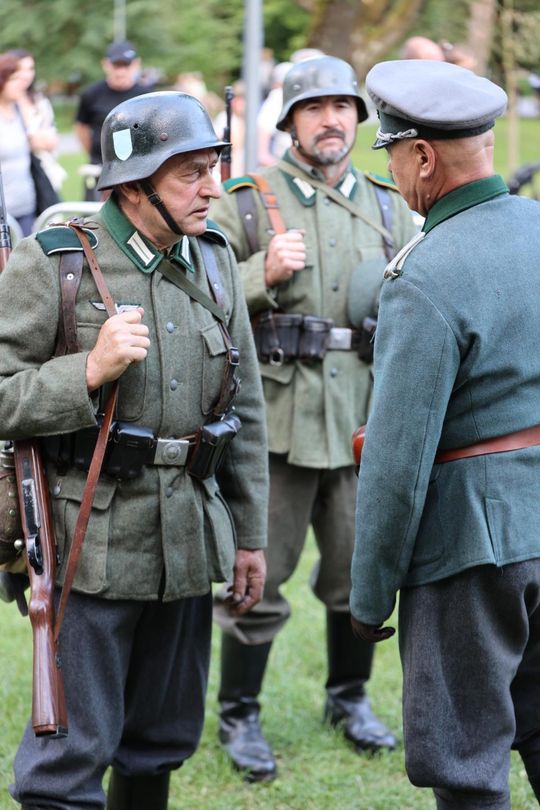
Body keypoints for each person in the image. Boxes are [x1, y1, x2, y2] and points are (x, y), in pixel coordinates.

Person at [0, 90, 268, 810]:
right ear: (132, 183)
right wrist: (85, 372)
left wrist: (248, 537)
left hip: (186, 543)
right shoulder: (52, 263)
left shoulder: (214, 264)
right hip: (88, 547)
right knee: (66, 766)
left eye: (213, 166)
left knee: (158, 744)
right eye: (190, 173)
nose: (212, 186)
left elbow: (242, 413)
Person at [210, 55, 417, 782]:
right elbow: (195, 299)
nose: (331, 120)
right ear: (289, 120)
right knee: (256, 579)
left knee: (359, 569)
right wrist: (255, 277)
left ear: (360, 119)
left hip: (362, 418)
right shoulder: (245, 203)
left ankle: (348, 697)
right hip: (276, 420)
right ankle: (239, 712)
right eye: (314, 108)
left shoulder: (392, 205)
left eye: (343, 108)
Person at [350, 59, 540, 808]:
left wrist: (369, 600)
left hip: (472, 546)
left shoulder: (423, 277)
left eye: (392, 152)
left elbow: (396, 467)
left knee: (462, 756)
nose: (394, 171)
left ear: (422, 155)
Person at [75, 41, 148, 198]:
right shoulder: (91, 94)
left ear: (136, 65)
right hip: (100, 169)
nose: (120, 72)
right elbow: (81, 127)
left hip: (136, 169)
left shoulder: (146, 95)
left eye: (125, 65)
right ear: (106, 65)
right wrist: (96, 152)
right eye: (116, 65)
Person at [8, 48, 67, 193]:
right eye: (20, 69)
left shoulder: (39, 101)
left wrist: (32, 140)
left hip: (43, 173)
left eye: (30, 69)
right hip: (13, 179)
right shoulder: (6, 104)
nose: (26, 75)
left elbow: (52, 141)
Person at [0, 52, 36, 236]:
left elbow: (40, 141)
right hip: (4, 211)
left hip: (26, 205)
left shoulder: (20, 109)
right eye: (14, 79)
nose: (20, 84)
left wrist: (25, 105)